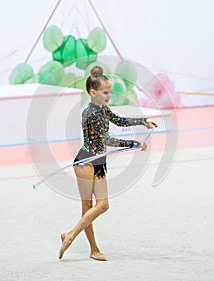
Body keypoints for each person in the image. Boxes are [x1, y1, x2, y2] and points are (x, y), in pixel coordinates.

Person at [59, 66, 158, 261]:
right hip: (85, 161)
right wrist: (134, 143)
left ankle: (70, 234)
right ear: (93, 92)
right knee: (87, 207)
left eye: (110, 92)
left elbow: (119, 121)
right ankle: (91, 248)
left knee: (103, 205)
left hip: (99, 162)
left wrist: (142, 121)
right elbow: (106, 140)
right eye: (105, 93)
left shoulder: (103, 110)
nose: (109, 96)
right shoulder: (90, 113)